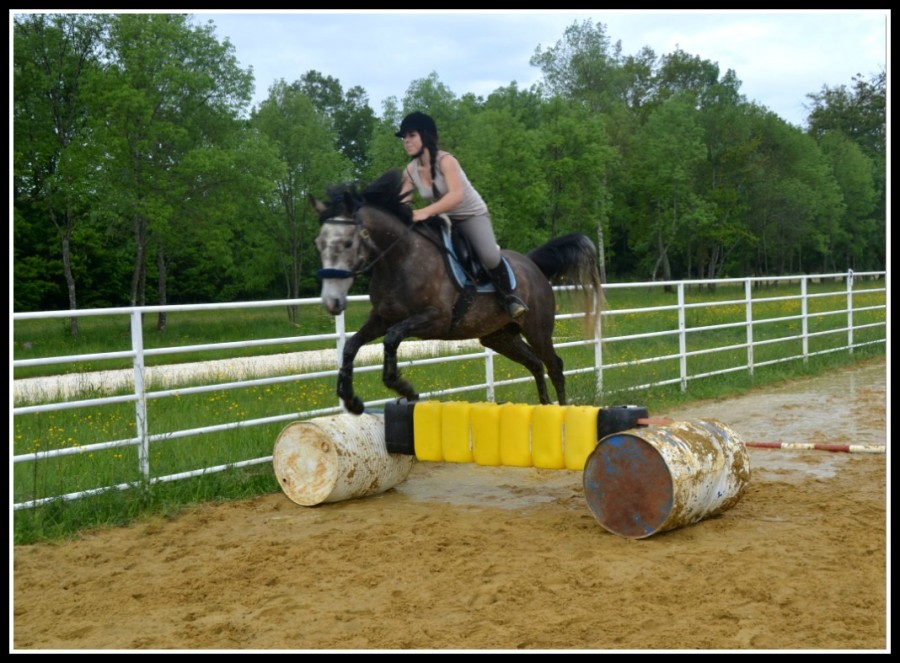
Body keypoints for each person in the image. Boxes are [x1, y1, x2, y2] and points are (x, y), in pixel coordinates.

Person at [395, 111, 528, 319]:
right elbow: (403, 202)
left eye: (411, 135)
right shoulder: (410, 171)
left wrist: (423, 212)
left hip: (470, 214)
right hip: (443, 218)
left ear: (426, 136)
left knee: (489, 256)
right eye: (404, 137)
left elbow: (456, 196)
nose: (406, 141)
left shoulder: (446, 161)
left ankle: (510, 297)